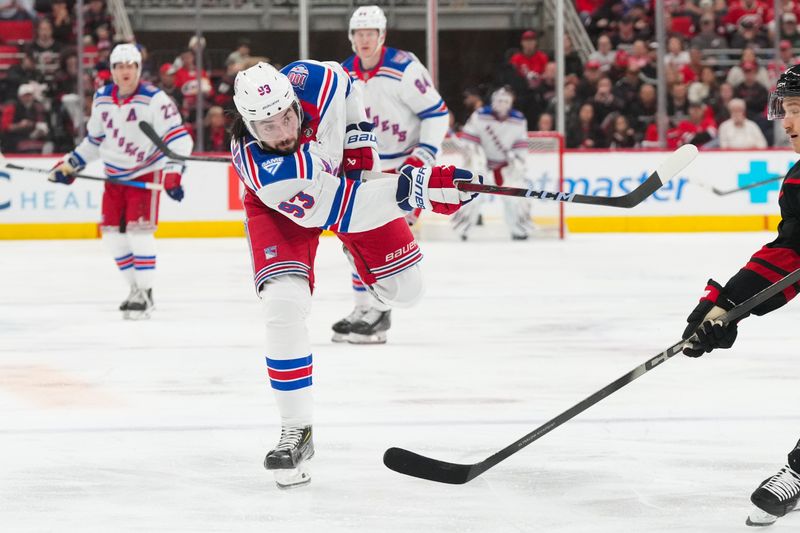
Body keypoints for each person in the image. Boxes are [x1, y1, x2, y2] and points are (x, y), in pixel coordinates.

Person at [229, 60, 478, 489]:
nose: (285, 133)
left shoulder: (315, 80)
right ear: (249, 124)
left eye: (287, 117)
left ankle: (359, 255)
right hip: (287, 211)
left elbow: (348, 84)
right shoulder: (264, 169)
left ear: (292, 98)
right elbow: (344, 207)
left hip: (343, 182)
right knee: (283, 305)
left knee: (406, 291)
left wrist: (358, 140)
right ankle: (297, 430)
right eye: (268, 127)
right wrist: (420, 187)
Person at [679, 64, 800, 527]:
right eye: (785, 110)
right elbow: (788, 255)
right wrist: (726, 306)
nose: (785, 122)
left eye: (794, 111)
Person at [48, 43, 192, 319]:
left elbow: (179, 139)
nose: (125, 71)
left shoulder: (155, 99)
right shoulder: (102, 98)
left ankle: (145, 291)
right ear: (112, 70)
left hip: (143, 173)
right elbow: (94, 141)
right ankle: (136, 290)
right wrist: (70, 165)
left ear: (138, 68)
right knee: (113, 236)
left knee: (140, 233)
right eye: (119, 66)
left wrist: (173, 173)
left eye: (130, 66)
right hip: (114, 177)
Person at [337, 5, 449, 344]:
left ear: (382, 35)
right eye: (359, 34)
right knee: (354, 243)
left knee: (385, 242)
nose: (365, 39)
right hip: (363, 170)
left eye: (371, 33)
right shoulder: (343, 74)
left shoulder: (404, 68)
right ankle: (363, 307)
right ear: (351, 38)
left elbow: (437, 114)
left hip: (403, 170)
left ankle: (381, 311)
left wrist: (423, 155)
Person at [454, 86, 532, 241]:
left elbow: (520, 145)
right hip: (482, 162)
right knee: (471, 194)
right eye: (499, 100)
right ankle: (462, 228)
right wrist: (476, 157)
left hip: (505, 165)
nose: (502, 103)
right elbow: (469, 141)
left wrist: (517, 161)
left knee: (516, 196)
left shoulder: (519, 120)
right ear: (493, 101)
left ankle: (520, 229)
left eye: (506, 100)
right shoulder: (480, 116)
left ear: (511, 103)